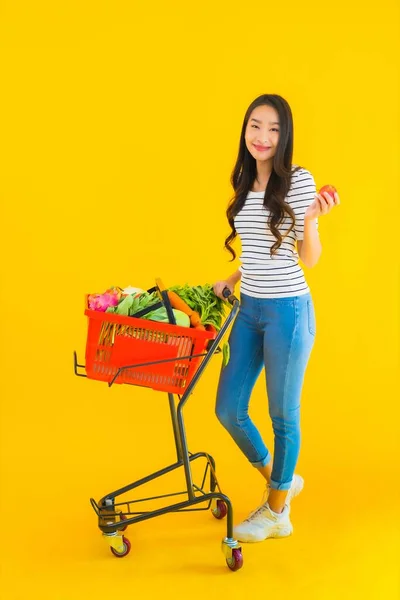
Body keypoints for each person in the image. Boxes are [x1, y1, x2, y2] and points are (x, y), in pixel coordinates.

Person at [213, 94, 340, 543]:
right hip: (250, 309)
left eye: (273, 129)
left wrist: (312, 222)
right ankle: (280, 480)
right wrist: (230, 278)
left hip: (288, 311)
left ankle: (276, 512)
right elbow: (257, 251)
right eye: (254, 126)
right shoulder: (244, 183)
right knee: (228, 408)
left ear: (284, 136)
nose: (262, 137)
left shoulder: (299, 181)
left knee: (282, 415)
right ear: (245, 130)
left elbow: (308, 258)